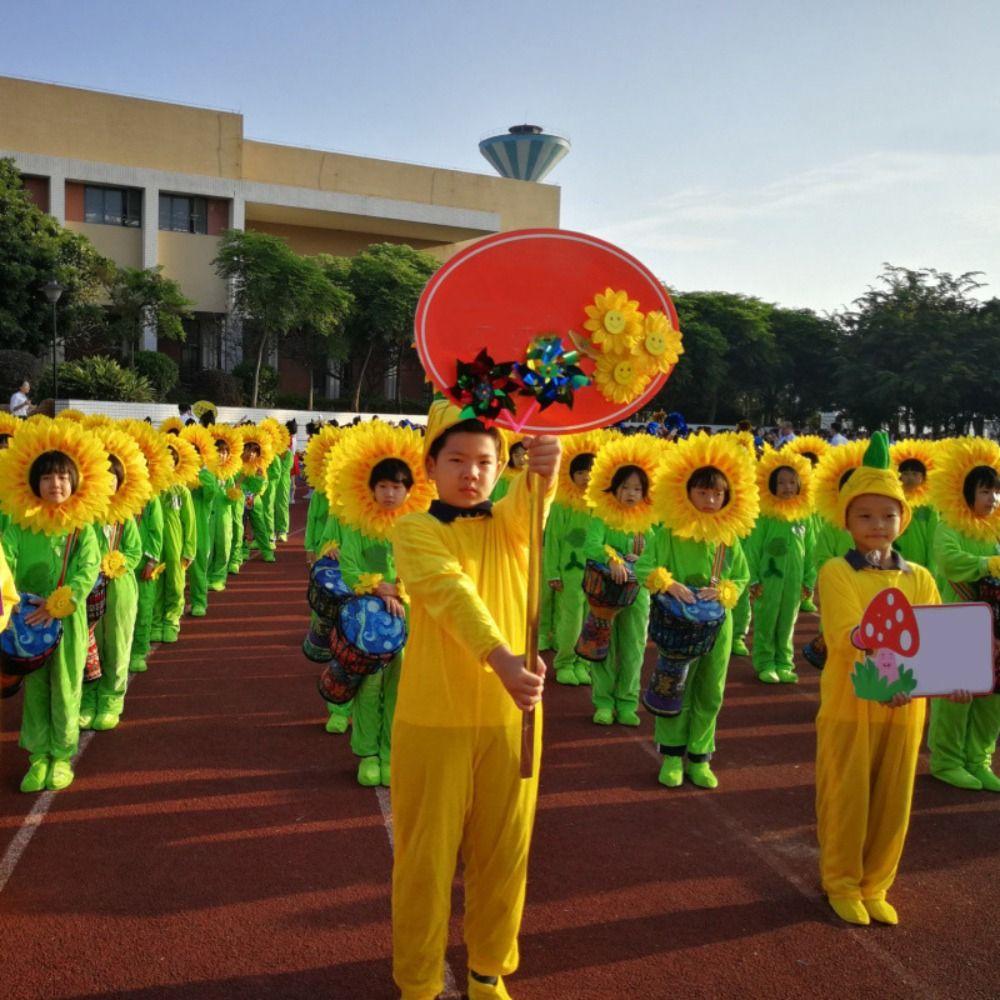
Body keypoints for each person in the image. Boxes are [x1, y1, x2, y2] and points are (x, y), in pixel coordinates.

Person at [390, 399, 559, 1000]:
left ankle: (489, 969)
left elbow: (533, 500)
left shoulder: (511, 525)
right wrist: (502, 658)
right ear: (430, 465)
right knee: (426, 862)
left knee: (504, 854)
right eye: (456, 459)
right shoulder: (413, 529)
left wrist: (548, 462)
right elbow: (449, 593)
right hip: (434, 720)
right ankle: (417, 981)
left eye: (484, 461)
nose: (471, 473)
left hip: (510, 718)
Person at [815, 432, 967, 925]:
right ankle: (840, 882)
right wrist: (889, 674)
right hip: (850, 704)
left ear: (904, 519)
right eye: (865, 516)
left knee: (894, 799)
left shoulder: (919, 576)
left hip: (907, 709)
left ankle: (876, 883)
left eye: (888, 515)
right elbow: (845, 636)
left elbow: (936, 639)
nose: (878, 525)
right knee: (848, 795)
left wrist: (953, 677)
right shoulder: (837, 571)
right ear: (847, 520)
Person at [0, 418, 111, 792]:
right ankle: (37, 757)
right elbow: (5, 559)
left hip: (67, 619)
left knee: (65, 687)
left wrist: (61, 602)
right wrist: (12, 599)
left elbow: (87, 568)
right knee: (34, 690)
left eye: (63, 476)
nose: (55, 484)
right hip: (26, 620)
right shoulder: (18, 521)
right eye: (47, 478)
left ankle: (62, 757)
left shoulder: (82, 525)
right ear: (34, 482)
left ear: (75, 480)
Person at [646, 432, 755, 788]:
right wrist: (667, 582)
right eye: (703, 492)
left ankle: (699, 756)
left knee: (711, 690)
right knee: (673, 685)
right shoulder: (669, 531)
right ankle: (672, 755)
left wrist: (724, 590)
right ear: (686, 492)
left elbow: (741, 575)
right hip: (677, 625)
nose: (710, 500)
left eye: (717, 493)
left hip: (716, 626)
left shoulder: (728, 535)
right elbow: (645, 566)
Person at [329, 422, 433, 787]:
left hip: (406, 620)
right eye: (383, 486)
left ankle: (391, 753)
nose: (390, 493)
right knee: (368, 687)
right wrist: (379, 589)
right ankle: (368, 754)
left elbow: (425, 569)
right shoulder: (357, 525)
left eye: (397, 487)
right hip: (366, 624)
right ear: (371, 488)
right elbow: (349, 567)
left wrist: (401, 590)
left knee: (401, 689)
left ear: (409, 490)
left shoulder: (418, 526)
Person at [926, 438, 1000, 792]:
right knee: (955, 696)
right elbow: (949, 561)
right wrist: (987, 564)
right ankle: (947, 760)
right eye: (986, 491)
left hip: (994, 627)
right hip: (956, 620)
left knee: (992, 698)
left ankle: (979, 760)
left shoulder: (996, 529)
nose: (993, 499)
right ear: (967, 491)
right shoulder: (948, 526)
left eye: (996, 492)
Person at [581, 436, 661, 726]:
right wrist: (612, 558)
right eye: (625, 487)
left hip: (636, 594)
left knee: (633, 646)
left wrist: (641, 562)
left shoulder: (648, 521)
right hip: (604, 594)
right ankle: (603, 701)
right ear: (613, 488)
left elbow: (655, 555)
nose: (630, 493)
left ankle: (627, 702)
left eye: (637, 488)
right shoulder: (602, 515)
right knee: (603, 645)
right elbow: (591, 546)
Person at [81, 426, 148, 731]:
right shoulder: (83, 514)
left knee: (117, 644)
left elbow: (135, 550)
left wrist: (118, 561)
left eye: (114, 478)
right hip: (87, 590)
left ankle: (111, 698)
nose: (109, 482)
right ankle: (88, 698)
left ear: (121, 483)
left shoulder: (124, 515)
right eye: (103, 476)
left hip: (119, 589)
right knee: (87, 644)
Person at [744, 449, 815, 684]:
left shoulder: (803, 516)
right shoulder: (765, 516)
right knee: (766, 620)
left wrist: (808, 580)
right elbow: (753, 550)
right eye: (781, 482)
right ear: (771, 485)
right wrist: (752, 579)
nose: (787, 487)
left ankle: (784, 663)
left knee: (787, 622)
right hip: (768, 580)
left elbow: (811, 551)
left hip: (794, 582)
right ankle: (765, 662)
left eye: (792, 482)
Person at [546, 432, 603, 686]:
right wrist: (552, 572)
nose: (586, 477)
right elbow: (553, 540)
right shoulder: (561, 505)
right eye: (580, 472)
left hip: (596, 573)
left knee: (592, 618)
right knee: (571, 619)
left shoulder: (600, 504)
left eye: (591, 471)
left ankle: (583, 662)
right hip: (570, 572)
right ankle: (565, 662)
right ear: (571, 474)